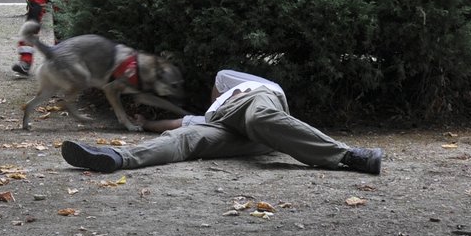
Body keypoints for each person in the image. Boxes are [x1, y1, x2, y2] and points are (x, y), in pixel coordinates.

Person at [60, 68, 384, 175]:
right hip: (234, 130)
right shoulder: (210, 114)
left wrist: (219, 98)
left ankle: (349, 156)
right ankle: (117, 158)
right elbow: (178, 125)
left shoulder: (232, 82)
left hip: (257, 105)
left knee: (260, 118)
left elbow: (222, 79)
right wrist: (145, 123)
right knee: (186, 141)